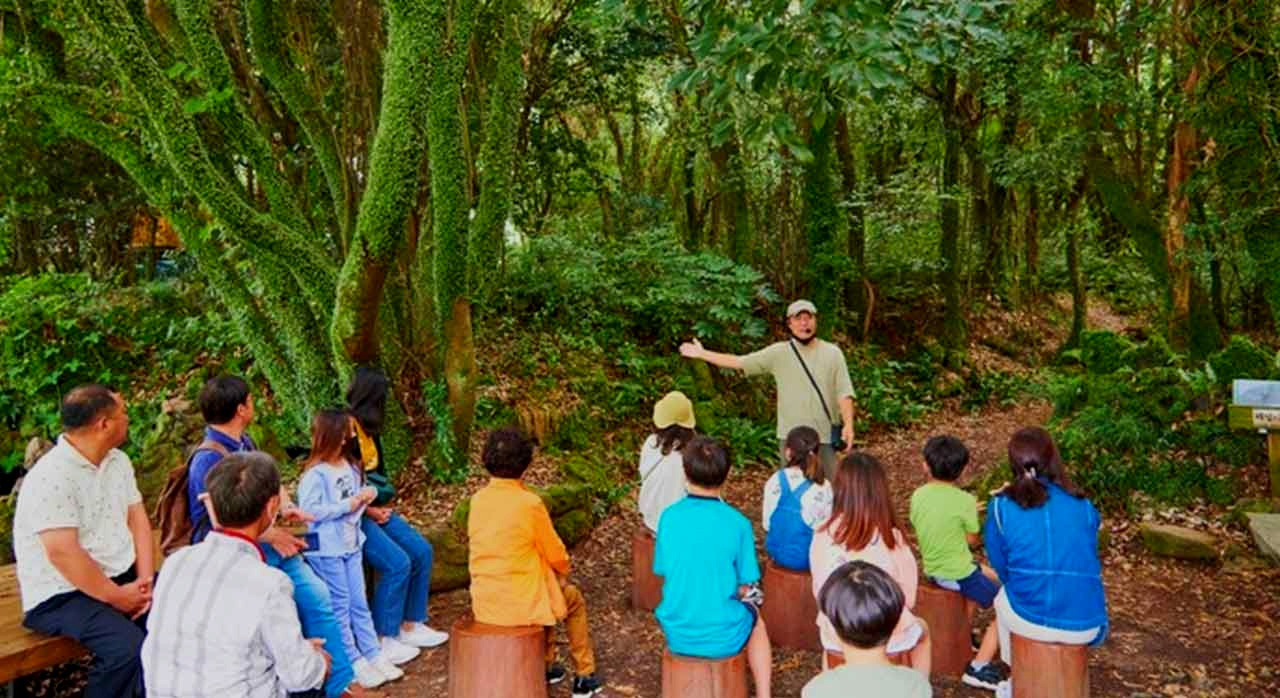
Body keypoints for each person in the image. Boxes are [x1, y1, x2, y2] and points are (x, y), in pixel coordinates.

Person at [186, 375, 358, 698]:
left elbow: (269, 479)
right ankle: (313, 677)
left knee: (319, 596)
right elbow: (221, 524)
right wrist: (271, 534)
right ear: (241, 408)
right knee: (299, 601)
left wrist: (287, 505)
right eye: (251, 400)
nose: (254, 404)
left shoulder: (244, 442)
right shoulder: (207, 459)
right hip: (230, 559)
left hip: (264, 543)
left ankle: (342, 684)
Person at [143, 452, 331, 697]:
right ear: (272, 506)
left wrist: (299, 652)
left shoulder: (176, 563)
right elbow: (300, 675)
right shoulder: (270, 583)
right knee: (313, 680)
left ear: (212, 504)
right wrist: (316, 660)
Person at [13, 385, 152, 698]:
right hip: (62, 592)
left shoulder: (118, 461)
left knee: (170, 622)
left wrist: (145, 580)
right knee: (126, 650)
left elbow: (138, 520)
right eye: (123, 414)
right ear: (103, 424)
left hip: (118, 575)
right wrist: (117, 597)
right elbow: (63, 554)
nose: (128, 419)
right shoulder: (51, 476)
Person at [468, 427, 604, 698]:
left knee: (546, 586)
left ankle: (547, 664)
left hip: (485, 602)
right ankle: (584, 674)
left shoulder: (477, 500)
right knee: (571, 599)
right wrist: (564, 570)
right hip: (522, 603)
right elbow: (556, 554)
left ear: (485, 460)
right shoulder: (529, 504)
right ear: (526, 465)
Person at [984, 427, 1108, 693]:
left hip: (1029, 617)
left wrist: (1025, 582)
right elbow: (1086, 552)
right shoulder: (1084, 505)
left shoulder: (1001, 506)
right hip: (1086, 621)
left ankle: (1014, 676)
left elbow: (1000, 562)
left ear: (1013, 462)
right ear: (1053, 458)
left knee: (1002, 597)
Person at [679, 299, 855, 480]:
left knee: (831, 489)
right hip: (791, 437)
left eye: (808, 318)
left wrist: (848, 425)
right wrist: (702, 354)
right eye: (798, 318)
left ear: (815, 321)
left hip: (824, 437)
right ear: (790, 323)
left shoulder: (832, 353)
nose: (804, 323)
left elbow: (844, 391)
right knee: (791, 490)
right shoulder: (778, 353)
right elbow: (741, 362)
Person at [654, 436, 772, 698]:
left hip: (677, 630)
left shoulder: (669, 517)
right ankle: (765, 694)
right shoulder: (737, 523)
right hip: (722, 634)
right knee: (758, 623)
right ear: (727, 474)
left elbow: (664, 569)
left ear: (685, 472)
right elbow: (748, 580)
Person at [298, 410, 404, 689]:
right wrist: (349, 505)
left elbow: (356, 497)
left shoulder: (350, 465)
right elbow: (309, 512)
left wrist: (365, 498)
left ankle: (373, 653)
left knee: (359, 601)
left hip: (351, 543)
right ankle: (353, 659)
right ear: (335, 434)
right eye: (349, 430)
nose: (354, 435)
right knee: (340, 606)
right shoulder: (315, 475)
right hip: (326, 550)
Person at [346, 368, 448, 655]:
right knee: (397, 563)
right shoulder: (345, 429)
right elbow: (341, 487)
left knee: (421, 550)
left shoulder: (371, 430)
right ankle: (383, 636)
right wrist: (370, 512)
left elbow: (379, 476)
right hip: (353, 516)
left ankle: (411, 623)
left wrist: (380, 505)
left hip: (376, 507)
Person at [810, 452, 931, 676]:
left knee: (829, 645)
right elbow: (908, 597)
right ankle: (920, 687)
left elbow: (819, 589)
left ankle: (831, 682)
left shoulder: (822, 534)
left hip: (837, 631)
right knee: (924, 635)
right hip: (888, 634)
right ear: (880, 492)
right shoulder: (891, 537)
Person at [909, 435, 1004, 690]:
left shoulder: (918, 496)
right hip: (957, 573)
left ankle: (964, 631)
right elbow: (972, 540)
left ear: (925, 466)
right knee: (1004, 600)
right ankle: (974, 658)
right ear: (962, 471)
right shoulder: (964, 501)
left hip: (933, 567)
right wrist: (967, 514)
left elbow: (926, 523)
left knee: (986, 574)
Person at [801, 560, 933, 698]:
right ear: (894, 623)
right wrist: (922, 628)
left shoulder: (815, 691)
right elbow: (923, 642)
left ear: (833, 629)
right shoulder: (916, 686)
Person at [762, 426, 832, 571]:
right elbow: (826, 528)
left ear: (788, 452)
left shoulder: (774, 480)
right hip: (808, 557)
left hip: (776, 552)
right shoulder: (823, 486)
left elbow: (767, 524)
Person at [637, 391, 697, 533]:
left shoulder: (651, 442)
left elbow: (642, 473)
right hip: (679, 524)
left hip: (650, 517)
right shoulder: (692, 454)